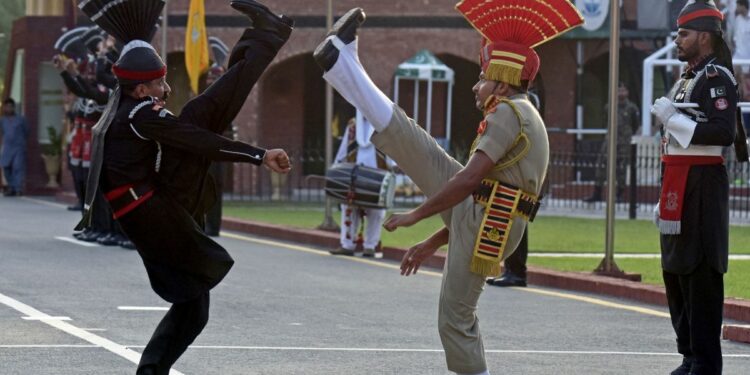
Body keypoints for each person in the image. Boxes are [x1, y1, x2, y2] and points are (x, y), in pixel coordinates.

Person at [314, 3, 582, 374]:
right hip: (494, 216)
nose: (476, 85)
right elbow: (483, 198)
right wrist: (432, 241)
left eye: (482, 76)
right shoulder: (521, 111)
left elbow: (470, 182)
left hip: (492, 220)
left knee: (455, 318)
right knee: (415, 141)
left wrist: (415, 216)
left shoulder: (508, 111)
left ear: (502, 83)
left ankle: (344, 64)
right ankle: (344, 64)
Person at [77, 0, 293, 373]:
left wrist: (135, 46)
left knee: (194, 307)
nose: (166, 87)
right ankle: (265, 38)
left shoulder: (127, 104)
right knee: (201, 118)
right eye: (159, 82)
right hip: (152, 210)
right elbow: (199, 142)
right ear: (141, 89)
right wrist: (258, 156)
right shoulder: (141, 115)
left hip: (149, 204)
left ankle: (264, 37)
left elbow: (180, 123)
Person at [650, 1, 747, 374]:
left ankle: (705, 363)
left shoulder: (716, 78)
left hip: (703, 185)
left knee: (700, 274)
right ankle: (689, 355)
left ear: (704, 37)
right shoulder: (689, 76)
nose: (678, 39)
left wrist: (674, 119)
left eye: (685, 33)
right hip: (678, 184)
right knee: (675, 273)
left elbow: (723, 132)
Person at [329, 113, 390, 258]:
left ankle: (370, 246)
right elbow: (344, 149)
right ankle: (347, 245)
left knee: (376, 212)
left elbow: (390, 150)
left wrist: (392, 167)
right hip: (353, 175)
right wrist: (338, 167)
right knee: (349, 207)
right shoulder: (353, 126)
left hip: (377, 176)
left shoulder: (382, 125)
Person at [584, 81, 640, 203]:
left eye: (623, 90)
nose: (621, 93)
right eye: (618, 90)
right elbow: (605, 121)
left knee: (621, 169)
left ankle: (619, 195)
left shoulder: (632, 108)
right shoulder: (609, 107)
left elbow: (635, 125)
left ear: (627, 92)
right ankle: (597, 193)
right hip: (609, 141)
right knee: (601, 166)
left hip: (624, 143)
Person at [0, 98, 28, 197]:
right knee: (5, 166)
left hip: (18, 147)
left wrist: (21, 142)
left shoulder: (21, 119)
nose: (8, 109)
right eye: (6, 107)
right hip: (7, 147)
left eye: (10, 107)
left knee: (17, 167)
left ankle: (18, 189)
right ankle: (11, 187)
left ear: (13, 107)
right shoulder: (2, 120)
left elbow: (26, 132)